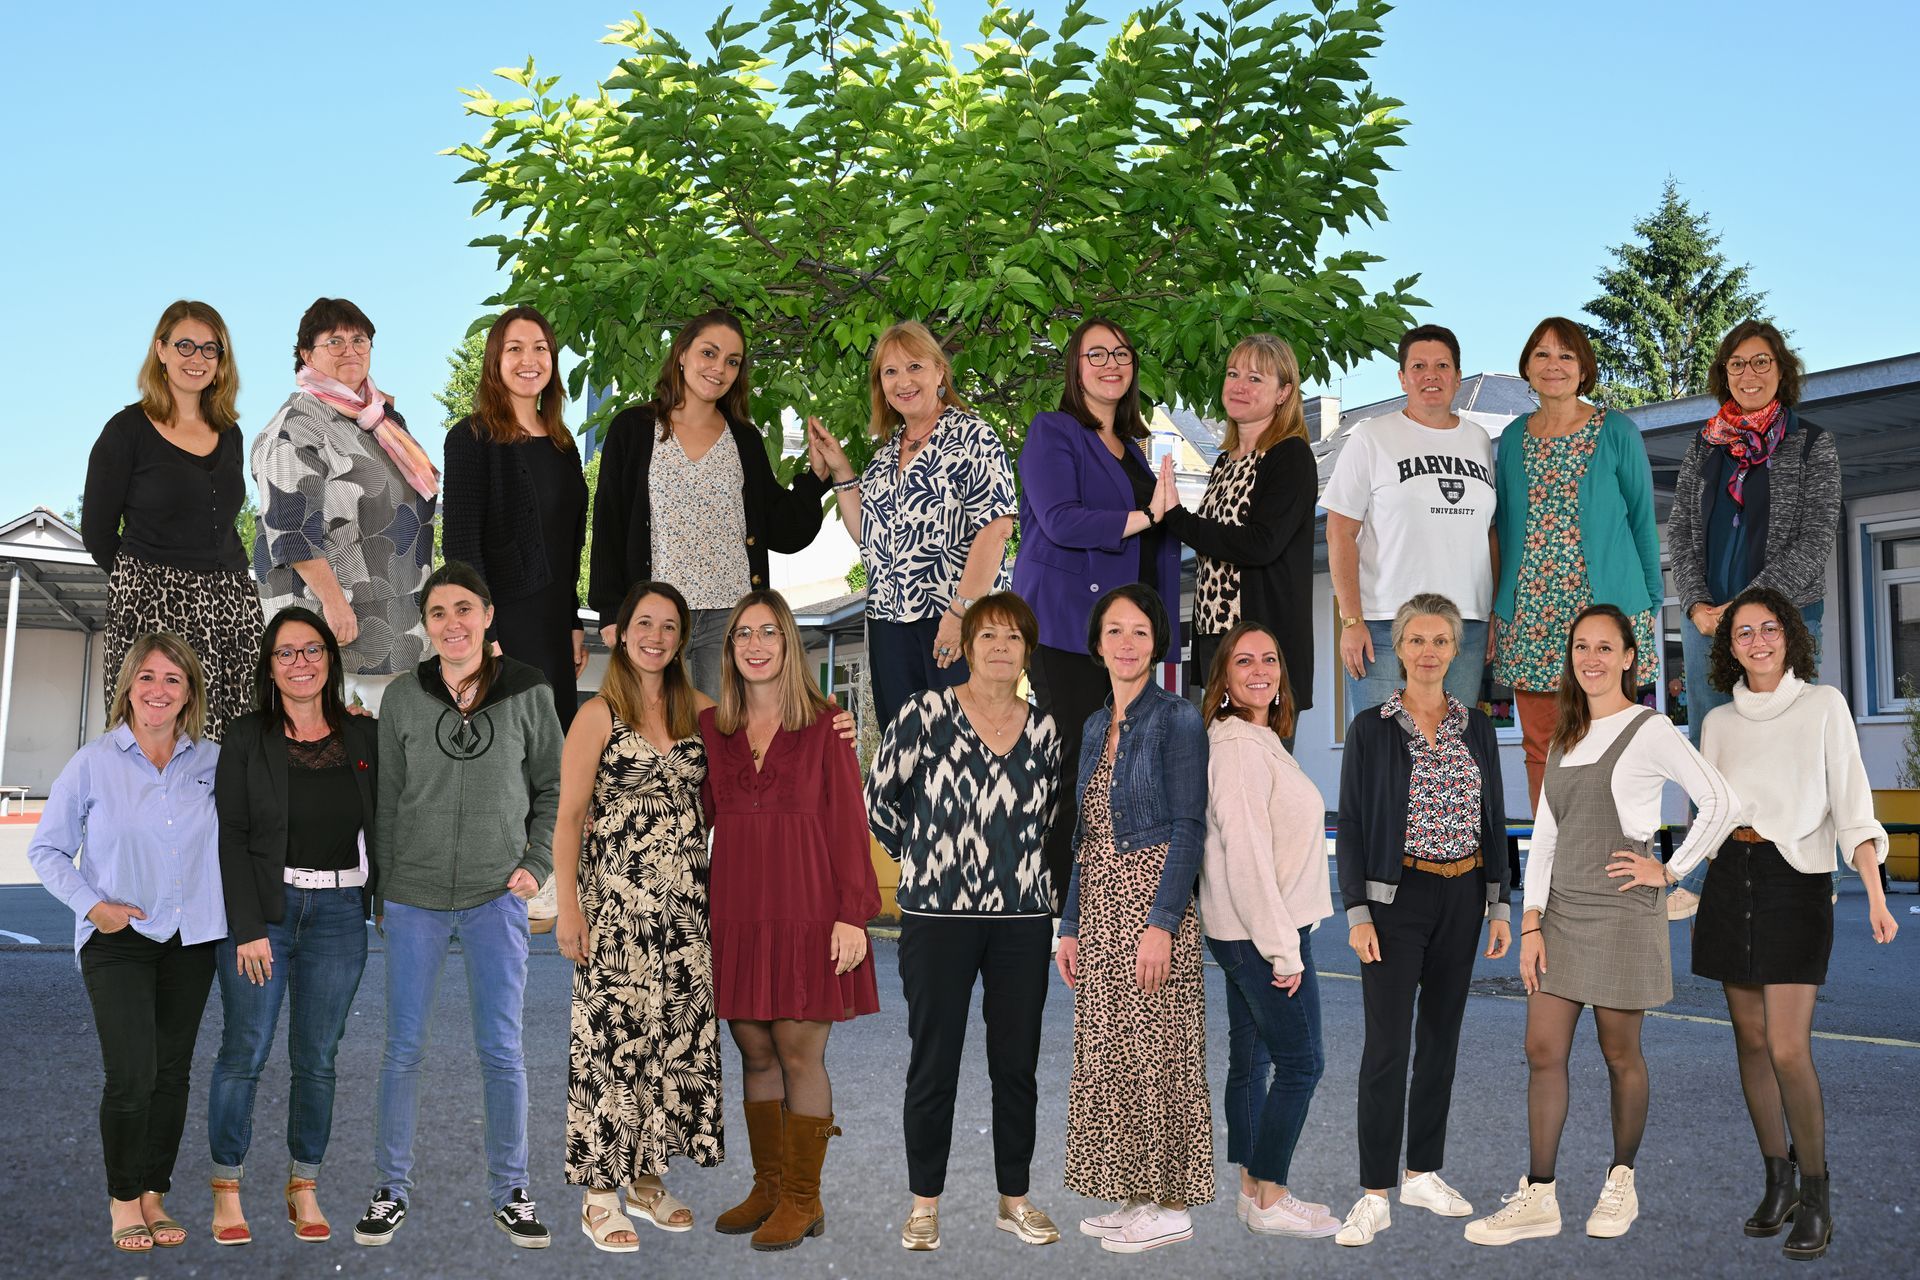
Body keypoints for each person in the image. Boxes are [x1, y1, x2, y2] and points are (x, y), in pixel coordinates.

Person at [1465, 604, 1736, 1247]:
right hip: (1562, 912)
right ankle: (1538, 1197)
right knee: (1543, 1050)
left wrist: (1669, 872)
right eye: (1581, 646)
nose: (1591, 658)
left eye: (1605, 647)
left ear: (1629, 659)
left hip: (1621, 914)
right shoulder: (1565, 733)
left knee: (1620, 1055)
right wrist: (1531, 920)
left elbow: (1722, 801)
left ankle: (1622, 1179)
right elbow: (1548, 838)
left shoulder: (1650, 727)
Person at [353, 562, 563, 1250]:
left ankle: (512, 1191)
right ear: (426, 624)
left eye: (464, 608)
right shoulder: (404, 699)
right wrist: (382, 887)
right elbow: (385, 800)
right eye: (438, 611)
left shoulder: (529, 691)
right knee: (403, 1050)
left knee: (501, 1050)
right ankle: (390, 1189)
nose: (452, 623)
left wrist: (537, 864)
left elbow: (555, 791)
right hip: (412, 898)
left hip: (493, 898)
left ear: (488, 614)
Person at [1697, 586, 1898, 1261]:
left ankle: (1817, 1194)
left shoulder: (1824, 706)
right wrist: (1668, 874)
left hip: (1796, 882)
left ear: (1789, 634)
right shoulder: (1719, 723)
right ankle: (1775, 1180)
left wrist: (1874, 891)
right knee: (1750, 1044)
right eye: (1743, 632)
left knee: (1786, 1046)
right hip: (1732, 878)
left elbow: (1854, 804)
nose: (1757, 641)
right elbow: (1710, 814)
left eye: (1768, 628)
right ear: (1729, 647)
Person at [866, 591, 1062, 1251]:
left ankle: (1015, 1199)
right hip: (937, 917)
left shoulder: (1045, 730)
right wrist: (921, 858)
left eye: (1013, 637)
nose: (1000, 647)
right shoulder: (925, 715)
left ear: (1026, 652)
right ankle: (925, 1206)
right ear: (967, 647)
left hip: (1021, 921)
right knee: (934, 1064)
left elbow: (1050, 821)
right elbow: (879, 799)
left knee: (1017, 1067)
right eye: (988, 636)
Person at [28, 634, 224, 1253]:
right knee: (133, 1073)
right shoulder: (93, 762)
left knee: (172, 1075)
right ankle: (121, 1197)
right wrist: (95, 907)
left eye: (172, 679)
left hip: (190, 940)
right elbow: (47, 849)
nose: (158, 690)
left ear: (189, 692)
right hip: (119, 940)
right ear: (128, 687)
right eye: (147, 677)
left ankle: (153, 1193)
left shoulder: (214, 762)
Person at [700, 590, 880, 1252]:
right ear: (730, 648)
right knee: (753, 1050)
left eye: (768, 632)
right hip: (739, 912)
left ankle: (805, 1199)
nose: (754, 643)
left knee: (799, 1051)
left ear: (787, 645)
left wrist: (852, 916)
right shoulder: (713, 730)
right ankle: (770, 1186)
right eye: (743, 632)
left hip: (808, 911)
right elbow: (693, 820)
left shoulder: (826, 725)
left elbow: (847, 826)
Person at [1333, 592, 1511, 1248]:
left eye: (1441, 641)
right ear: (1398, 649)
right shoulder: (1371, 729)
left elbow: (1495, 820)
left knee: (1440, 1041)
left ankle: (1423, 1172)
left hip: (1462, 897)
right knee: (1388, 1047)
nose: (1429, 653)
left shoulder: (1478, 727)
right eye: (1416, 641)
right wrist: (1358, 912)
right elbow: (1351, 825)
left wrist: (1498, 903)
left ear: (1454, 650)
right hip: (1395, 901)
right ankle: (1374, 1192)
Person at [549, 581, 722, 1248]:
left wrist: (832, 719)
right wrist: (569, 907)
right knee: (612, 1046)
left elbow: (766, 728)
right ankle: (600, 1195)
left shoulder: (699, 709)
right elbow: (567, 820)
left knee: (673, 1046)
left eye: (669, 626)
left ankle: (649, 1182)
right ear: (618, 633)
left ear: (681, 639)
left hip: (684, 914)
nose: (655, 635)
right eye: (642, 622)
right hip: (614, 911)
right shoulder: (597, 714)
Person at [207, 607, 379, 1245]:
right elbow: (231, 834)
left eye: (312, 650)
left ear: (330, 659)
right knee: (243, 1054)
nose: (300, 662)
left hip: (339, 917)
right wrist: (246, 925)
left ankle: (303, 1183)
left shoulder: (364, 737)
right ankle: (227, 1186)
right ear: (270, 667)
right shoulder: (247, 736)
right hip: (265, 917)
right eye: (286, 652)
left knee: (318, 1061)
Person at [1665, 322, 1842, 919]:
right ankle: (1695, 874)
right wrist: (1694, 604)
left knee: (1788, 737)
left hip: (1783, 615)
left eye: (1761, 362)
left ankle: (1810, 865)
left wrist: (1747, 611)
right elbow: (1685, 534)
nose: (1749, 374)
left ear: (1781, 370)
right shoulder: (1704, 444)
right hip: (1707, 618)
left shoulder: (1812, 443)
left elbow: (1816, 538)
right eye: (1737, 364)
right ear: (1724, 374)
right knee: (1708, 742)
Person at [1056, 585, 1212, 1254]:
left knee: (1162, 1051)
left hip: (1151, 898)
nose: (1126, 642)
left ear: (1157, 644)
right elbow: (1083, 833)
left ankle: (1173, 1201)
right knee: (1112, 1055)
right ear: (1097, 644)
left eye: (1140, 631)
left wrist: (1162, 923)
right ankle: (1137, 1191)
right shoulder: (1094, 725)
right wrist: (1068, 925)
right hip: (1098, 899)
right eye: (1114, 631)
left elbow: (1188, 825)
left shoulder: (1177, 718)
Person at [1012, 317, 1180, 905]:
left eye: (1122, 353)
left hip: (1127, 636)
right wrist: (1144, 517)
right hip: (1065, 626)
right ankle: (1063, 900)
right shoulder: (1053, 431)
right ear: (1075, 367)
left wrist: (1161, 636)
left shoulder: (1135, 449)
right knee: (1075, 765)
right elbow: (1058, 518)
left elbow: (1157, 546)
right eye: (1096, 354)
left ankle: (1105, 890)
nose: (1111, 363)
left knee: (1119, 765)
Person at [588, 310, 829, 696]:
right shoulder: (632, 429)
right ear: (682, 353)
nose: (719, 368)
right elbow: (609, 523)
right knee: (661, 742)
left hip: (731, 618)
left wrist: (816, 480)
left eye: (732, 361)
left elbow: (782, 528)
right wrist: (611, 612)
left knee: (724, 741)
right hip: (659, 621)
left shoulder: (745, 439)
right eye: (709, 353)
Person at [1197, 622, 1340, 1239]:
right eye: (1244, 661)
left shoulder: (1258, 739)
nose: (1261, 670)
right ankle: (1272, 1193)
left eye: (1271, 659)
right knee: (1302, 1062)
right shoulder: (1235, 749)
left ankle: (1252, 1190)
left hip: (1253, 930)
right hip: (1262, 935)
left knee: (1251, 1061)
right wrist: (1283, 950)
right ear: (1224, 679)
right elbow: (1246, 855)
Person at [1491, 318, 1663, 813]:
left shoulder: (1616, 431)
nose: (1554, 366)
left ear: (1584, 368)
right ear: (1526, 366)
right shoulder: (1512, 439)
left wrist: (1648, 604)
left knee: (1612, 742)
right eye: (1542, 355)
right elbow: (1502, 528)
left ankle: (1614, 864)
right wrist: (1500, 609)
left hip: (1605, 612)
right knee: (1541, 746)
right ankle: (1551, 868)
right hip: (1532, 614)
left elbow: (1641, 522)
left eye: (1566, 356)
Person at [807, 321, 1017, 728]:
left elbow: (997, 530)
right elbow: (868, 534)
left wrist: (960, 614)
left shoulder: (972, 436)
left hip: (954, 622)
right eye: (890, 372)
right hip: (888, 625)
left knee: (962, 751)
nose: (903, 381)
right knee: (904, 751)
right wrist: (840, 467)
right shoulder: (885, 455)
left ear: (939, 372)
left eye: (914, 367)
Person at [83, 300, 262, 739]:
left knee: (236, 739)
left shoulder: (231, 433)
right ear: (160, 350)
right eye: (184, 345)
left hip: (232, 604)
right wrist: (143, 580)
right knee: (157, 737)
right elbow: (97, 532)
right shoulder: (126, 430)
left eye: (209, 349)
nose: (196, 359)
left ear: (222, 361)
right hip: (152, 603)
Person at [253, 298, 438, 713]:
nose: (350, 350)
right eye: (334, 341)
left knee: (392, 758)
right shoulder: (296, 424)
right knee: (322, 752)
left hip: (398, 619)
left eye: (359, 340)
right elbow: (291, 531)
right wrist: (335, 607)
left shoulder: (381, 420)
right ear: (307, 354)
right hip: (331, 626)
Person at [1324, 326, 1497, 717]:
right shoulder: (1372, 437)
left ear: (1457, 376)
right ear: (1402, 377)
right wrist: (1351, 620)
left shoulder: (1480, 441)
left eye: (1442, 366)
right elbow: (1340, 532)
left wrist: (1491, 615)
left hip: (1464, 627)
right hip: (1386, 626)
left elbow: (1489, 535)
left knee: (1449, 754)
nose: (1430, 375)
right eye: (1418, 366)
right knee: (1384, 753)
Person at [1161, 335, 1317, 738]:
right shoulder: (1224, 462)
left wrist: (1177, 517)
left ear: (1284, 392)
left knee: (1264, 779)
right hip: (1218, 640)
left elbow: (1258, 543)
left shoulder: (1290, 456)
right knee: (1220, 780)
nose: (1239, 386)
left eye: (1255, 378)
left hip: (1263, 649)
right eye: (1233, 374)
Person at [443, 306, 590, 730]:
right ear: (495, 361)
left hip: (555, 627)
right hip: (504, 627)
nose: (529, 360)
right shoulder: (471, 438)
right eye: (515, 349)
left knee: (555, 754)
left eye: (540, 348)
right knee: (509, 757)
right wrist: (483, 637)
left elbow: (567, 549)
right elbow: (461, 550)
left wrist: (572, 621)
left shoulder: (564, 447)